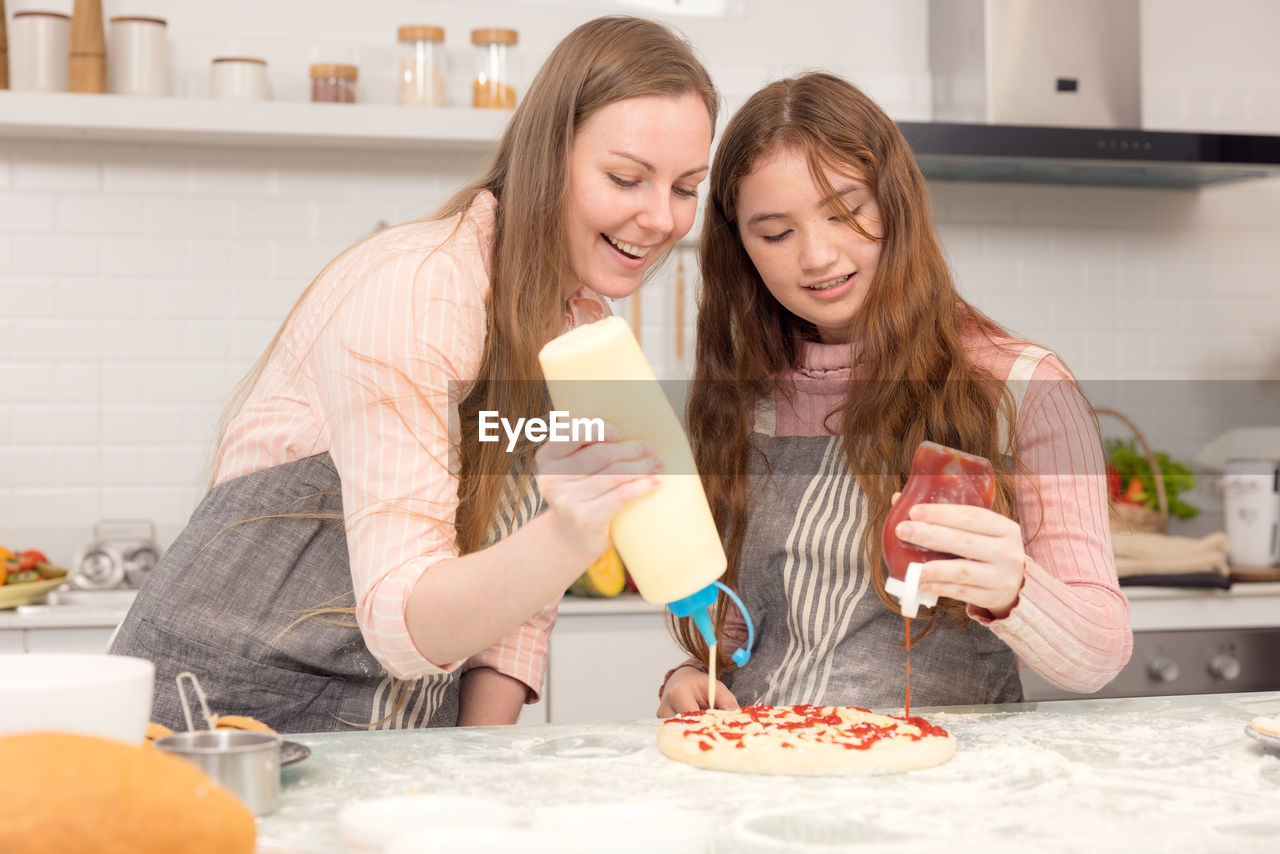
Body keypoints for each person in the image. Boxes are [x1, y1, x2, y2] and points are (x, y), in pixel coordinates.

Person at [109, 15, 717, 733]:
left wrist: (475, 770)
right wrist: (569, 535)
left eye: (686, 187)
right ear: (546, 155)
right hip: (214, 725)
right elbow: (401, 622)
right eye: (626, 177)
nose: (660, 217)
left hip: (391, 746)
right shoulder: (417, 290)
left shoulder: (581, 333)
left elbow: (518, 615)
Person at [658, 72, 1132, 716]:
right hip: (768, 777)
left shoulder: (1023, 388)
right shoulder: (745, 399)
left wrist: (1015, 586)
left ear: (896, 202)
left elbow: (1100, 656)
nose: (818, 256)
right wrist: (695, 675)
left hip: (943, 788)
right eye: (776, 233)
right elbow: (748, 629)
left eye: (847, 211)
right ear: (740, 247)